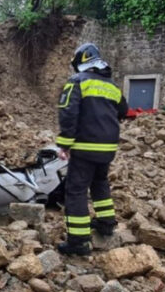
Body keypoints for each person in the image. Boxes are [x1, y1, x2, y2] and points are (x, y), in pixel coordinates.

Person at [55, 42, 128, 256]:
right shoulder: (112, 86)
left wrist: (65, 144)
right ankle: (106, 223)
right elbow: (124, 110)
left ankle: (78, 242)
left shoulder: (77, 81)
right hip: (108, 148)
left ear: (80, 62)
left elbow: (68, 112)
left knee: (76, 190)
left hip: (85, 147)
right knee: (100, 183)